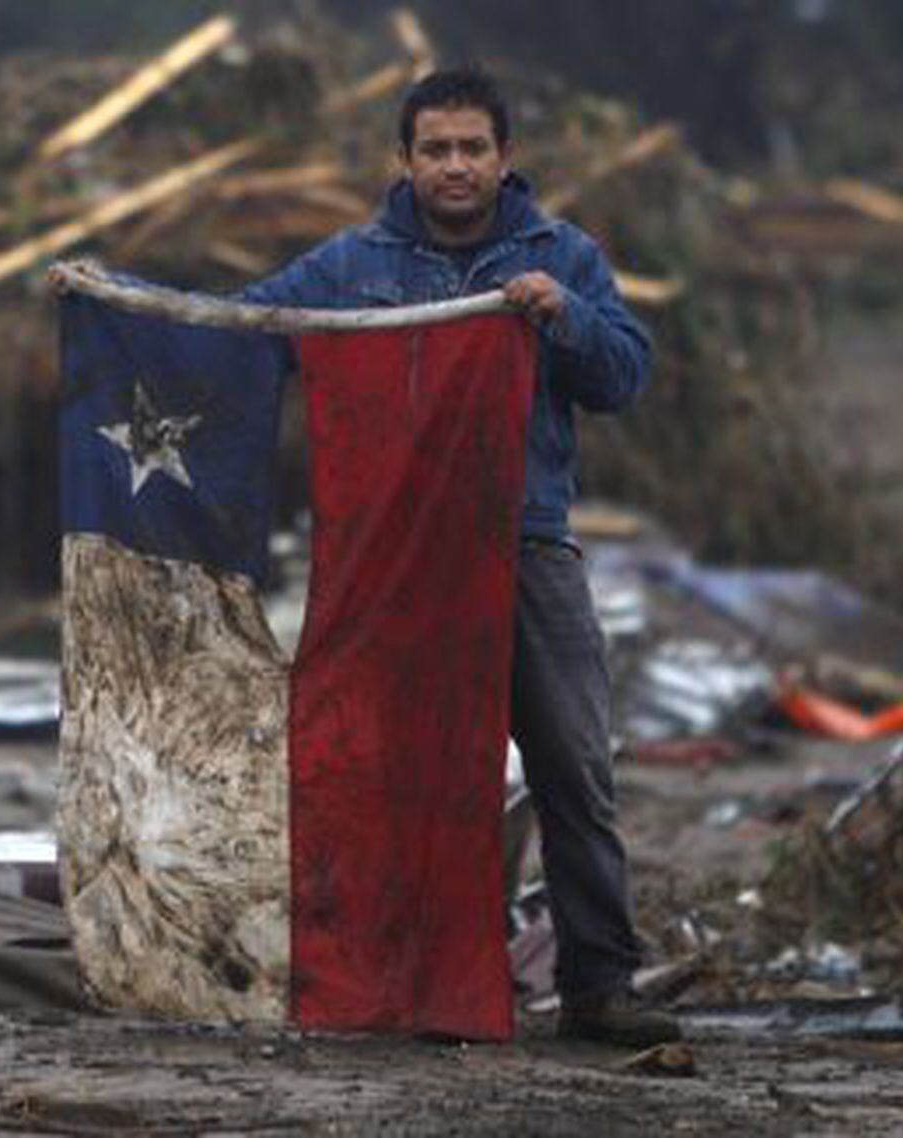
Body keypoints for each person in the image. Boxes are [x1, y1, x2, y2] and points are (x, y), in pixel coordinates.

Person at [243, 66, 681, 1048]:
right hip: (396, 566)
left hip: (525, 549)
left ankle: (599, 986)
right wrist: (117, 309)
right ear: (403, 161)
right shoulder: (348, 266)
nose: (453, 166)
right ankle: (414, 982)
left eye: (471, 148)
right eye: (434, 149)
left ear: (503, 157)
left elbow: (623, 374)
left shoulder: (559, 254)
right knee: (400, 777)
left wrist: (558, 314)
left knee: (572, 771)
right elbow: (243, 336)